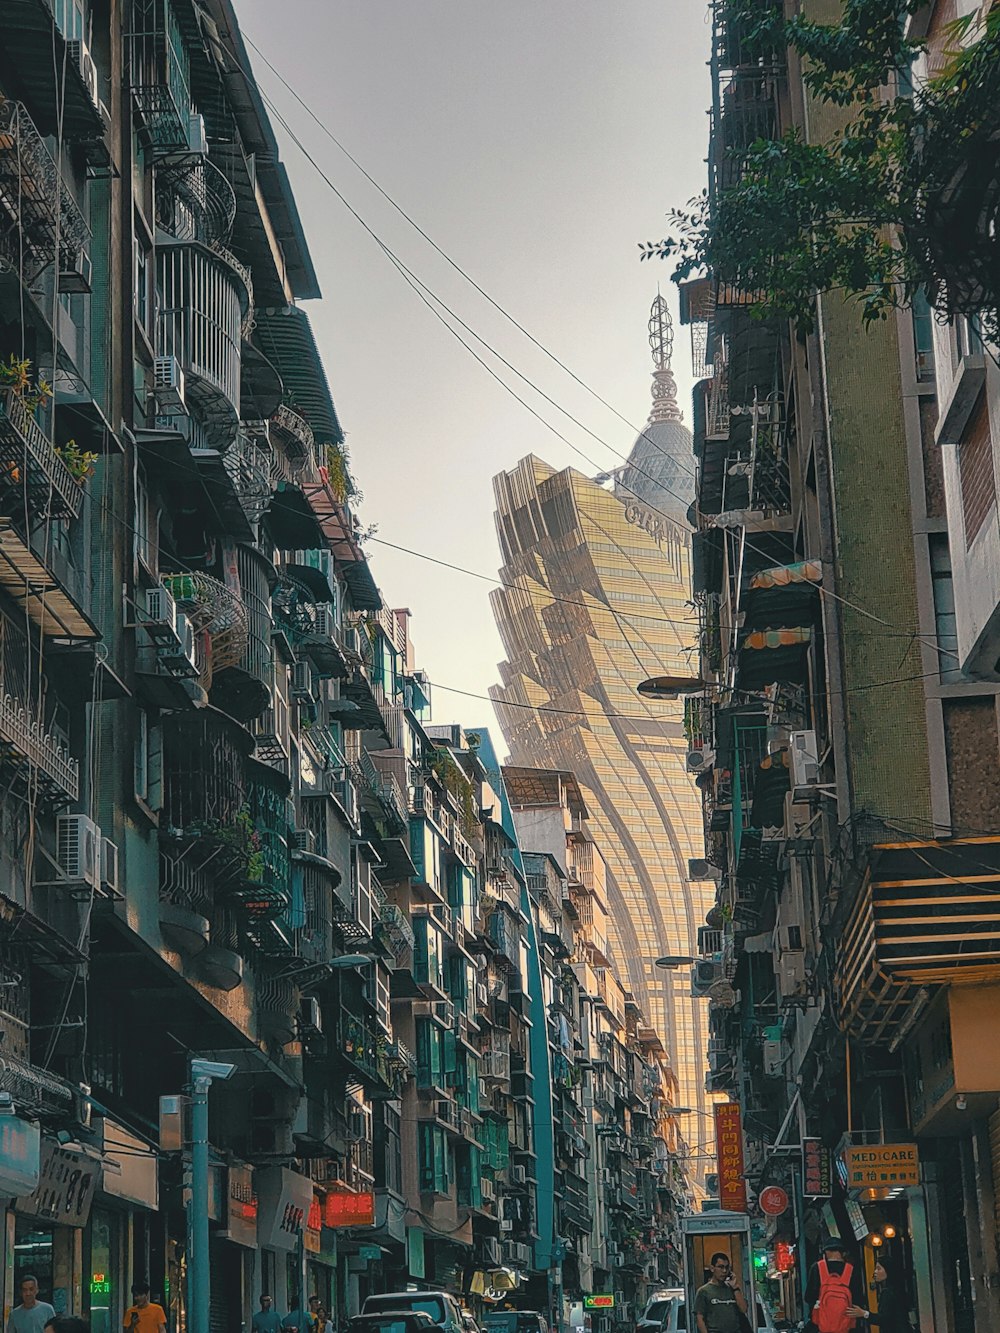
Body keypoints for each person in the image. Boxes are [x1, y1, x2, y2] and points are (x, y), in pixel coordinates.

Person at [804, 1239, 870, 1332]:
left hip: (821, 1326)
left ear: (826, 1252)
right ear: (842, 1253)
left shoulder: (817, 1268)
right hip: (847, 1326)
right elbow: (858, 1298)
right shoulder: (851, 1269)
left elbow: (808, 1297)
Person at [694, 1252, 749, 1333]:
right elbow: (699, 1318)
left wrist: (735, 1287)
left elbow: (743, 1309)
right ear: (712, 1268)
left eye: (727, 1267)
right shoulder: (703, 1291)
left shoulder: (732, 1289)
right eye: (721, 1267)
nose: (724, 1271)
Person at [870, 1259, 910, 1333]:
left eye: (878, 1269)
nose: (875, 1272)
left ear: (888, 1271)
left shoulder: (888, 1293)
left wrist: (864, 1314)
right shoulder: (898, 1290)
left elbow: (884, 1319)